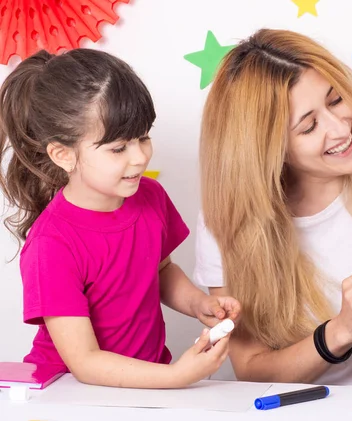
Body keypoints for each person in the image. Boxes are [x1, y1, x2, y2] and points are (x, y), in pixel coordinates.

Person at [194, 28, 352, 387]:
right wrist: (339, 332)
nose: (340, 128)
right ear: (268, 150)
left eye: (335, 100)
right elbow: (250, 368)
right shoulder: (225, 224)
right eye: (309, 126)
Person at [0, 49, 240, 388]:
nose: (140, 157)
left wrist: (199, 303)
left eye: (143, 137)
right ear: (63, 155)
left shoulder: (150, 196)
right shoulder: (51, 244)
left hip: (145, 383)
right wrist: (175, 376)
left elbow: (161, 270)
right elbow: (84, 361)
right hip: (69, 392)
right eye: (118, 148)